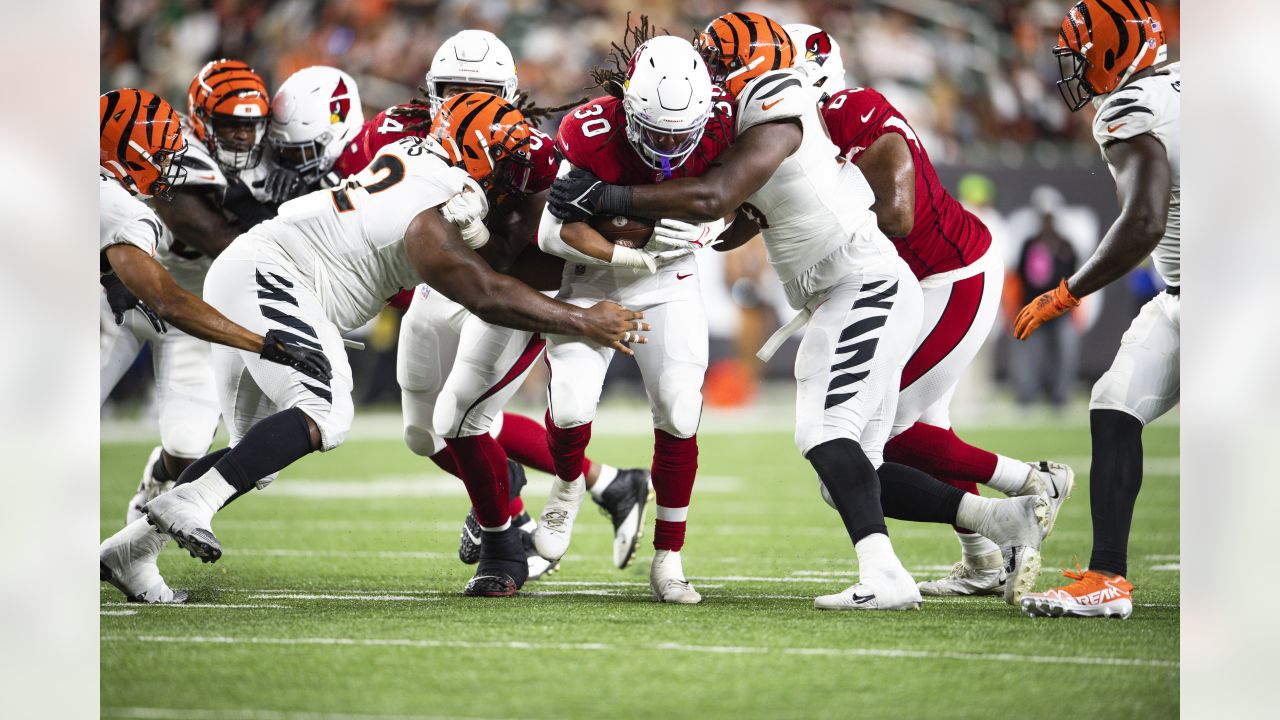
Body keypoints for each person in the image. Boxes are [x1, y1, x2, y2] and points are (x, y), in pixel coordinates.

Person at [548, 11, 1052, 610]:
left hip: (863, 283)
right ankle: (1001, 520)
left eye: (719, 66)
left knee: (823, 434)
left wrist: (608, 197)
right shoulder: (736, 116)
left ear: (754, 66)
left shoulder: (774, 101)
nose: (710, 80)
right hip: (841, 290)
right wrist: (686, 231)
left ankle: (894, 573)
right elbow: (731, 218)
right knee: (848, 476)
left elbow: (716, 195)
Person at [99, 98, 650, 602]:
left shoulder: (411, 154)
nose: (508, 179)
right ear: (474, 154)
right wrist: (583, 319)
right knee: (328, 412)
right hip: (276, 277)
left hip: (255, 272)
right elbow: (487, 295)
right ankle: (190, 503)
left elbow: (486, 254)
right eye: (501, 162)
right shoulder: (428, 215)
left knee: (256, 456)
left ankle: (132, 550)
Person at [330, 31, 652, 578]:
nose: (462, 102)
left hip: (511, 287)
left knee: (466, 416)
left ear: (506, 94)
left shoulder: (531, 154)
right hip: (443, 283)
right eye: (453, 90)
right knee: (421, 433)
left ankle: (507, 535)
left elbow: (530, 258)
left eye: (477, 91)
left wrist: (478, 239)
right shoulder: (397, 132)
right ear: (432, 90)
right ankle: (603, 484)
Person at [800, 26, 1074, 599]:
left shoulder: (852, 111)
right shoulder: (812, 131)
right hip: (914, 283)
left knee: (882, 439)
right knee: (921, 431)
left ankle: (1032, 481)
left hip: (946, 277)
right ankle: (981, 560)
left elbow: (895, 217)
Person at [98, 88, 331, 603]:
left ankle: (134, 551)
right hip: (138, 308)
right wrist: (262, 343)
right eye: (158, 152)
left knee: (186, 442)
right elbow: (169, 299)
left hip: (165, 311)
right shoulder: (121, 208)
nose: (168, 166)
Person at [534, 34, 736, 604]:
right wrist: (627, 253)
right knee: (571, 404)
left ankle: (669, 556)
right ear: (629, 108)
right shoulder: (590, 131)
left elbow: (745, 198)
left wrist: (713, 227)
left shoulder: (724, 122)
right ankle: (569, 488)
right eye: (657, 133)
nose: (669, 148)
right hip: (592, 277)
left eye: (681, 136)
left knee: (678, 410)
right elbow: (551, 232)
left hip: (668, 280)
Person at [1018, 0, 1178, 620]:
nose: (1075, 67)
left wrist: (1068, 291)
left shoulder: (1134, 107)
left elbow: (1142, 222)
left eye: (1084, 53)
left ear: (1114, 51)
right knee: (1114, 405)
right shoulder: (1185, 86)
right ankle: (1108, 577)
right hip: (1184, 299)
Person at [106, 59, 276, 526]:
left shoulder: (274, 164)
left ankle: (157, 478)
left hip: (195, 312)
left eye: (250, 125)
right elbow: (209, 233)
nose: (242, 136)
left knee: (187, 445)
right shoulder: (166, 143)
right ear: (201, 118)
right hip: (123, 295)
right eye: (229, 124)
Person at [1009, 197, 1081, 410]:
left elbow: (1074, 278)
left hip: (1060, 311)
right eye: (1044, 219)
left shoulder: (1066, 245)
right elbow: (1020, 275)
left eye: (1050, 219)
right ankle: (1026, 396)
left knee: (1065, 352)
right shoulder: (1029, 244)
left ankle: (1060, 396)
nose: (1047, 224)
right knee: (1027, 353)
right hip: (1034, 308)